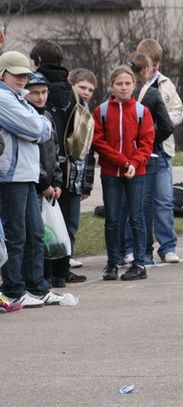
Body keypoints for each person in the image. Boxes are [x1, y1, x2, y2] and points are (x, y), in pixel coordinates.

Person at [0, 50, 63, 307]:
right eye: (16, 74)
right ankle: (15, 289)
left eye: (25, 74)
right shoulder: (4, 98)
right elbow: (36, 127)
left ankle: (37, 286)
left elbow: (44, 128)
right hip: (10, 176)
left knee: (35, 234)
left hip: (27, 174)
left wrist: (37, 128)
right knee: (17, 235)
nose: (22, 79)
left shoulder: (20, 98)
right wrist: (37, 128)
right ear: (3, 73)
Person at [30, 40, 88, 286]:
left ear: (39, 61)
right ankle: (63, 270)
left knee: (43, 219)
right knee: (64, 217)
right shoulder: (70, 88)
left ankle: (45, 271)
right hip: (71, 163)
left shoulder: (37, 86)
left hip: (45, 160)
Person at [92, 65, 155, 281]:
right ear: (111, 86)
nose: (124, 87)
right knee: (112, 218)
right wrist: (122, 161)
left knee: (136, 217)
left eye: (128, 83)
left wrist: (134, 164)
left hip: (136, 173)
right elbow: (98, 142)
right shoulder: (101, 111)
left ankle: (139, 264)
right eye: (119, 83)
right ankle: (112, 263)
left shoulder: (141, 111)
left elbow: (147, 143)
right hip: (111, 172)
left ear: (134, 85)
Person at [126, 52, 177, 263]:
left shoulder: (117, 91)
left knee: (132, 205)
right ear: (147, 70)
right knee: (155, 202)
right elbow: (167, 125)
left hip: (125, 156)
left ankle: (133, 250)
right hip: (151, 154)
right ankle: (151, 251)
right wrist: (151, 141)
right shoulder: (152, 94)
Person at [136, 38, 183, 263]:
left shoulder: (165, 84)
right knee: (142, 203)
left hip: (162, 150)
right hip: (140, 152)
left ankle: (167, 246)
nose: (152, 69)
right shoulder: (132, 85)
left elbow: (178, 111)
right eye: (148, 65)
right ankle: (144, 249)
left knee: (164, 199)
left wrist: (162, 123)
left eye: (155, 64)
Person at [24, 72, 65, 287]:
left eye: (44, 92)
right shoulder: (25, 117)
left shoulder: (47, 117)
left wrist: (56, 182)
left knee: (44, 235)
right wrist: (44, 184)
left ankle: (47, 276)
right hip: (34, 184)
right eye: (35, 93)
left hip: (49, 185)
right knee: (33, 234)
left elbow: (56, 150)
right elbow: (31, 157)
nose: (40, 97)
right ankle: (35, 278)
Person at [64, 68, 98, 274]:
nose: (86, 92)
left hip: (78, 178)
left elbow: (89, 151)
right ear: (72, 85)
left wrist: (87, 183)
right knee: (62, 218)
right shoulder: (68, 107)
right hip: (65, 175)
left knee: (73, 221)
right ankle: (62, 257)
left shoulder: (87, 112)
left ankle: (70, 253)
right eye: (82, 87)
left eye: (90, 90)